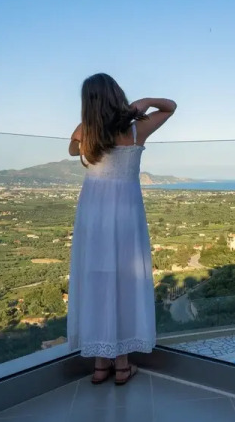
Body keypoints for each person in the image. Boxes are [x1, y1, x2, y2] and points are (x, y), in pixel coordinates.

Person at [66, 73, 176, 385]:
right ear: (117, 95)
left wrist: (87, 126)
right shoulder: (136, 128)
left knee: (97, 278)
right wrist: (146, 102)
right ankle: (123, 365)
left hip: (94, 212)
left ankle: (101, 365)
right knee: (126, 280)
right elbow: (170, 107)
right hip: (126, 212)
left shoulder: (86, 132)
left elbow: (72, 150)